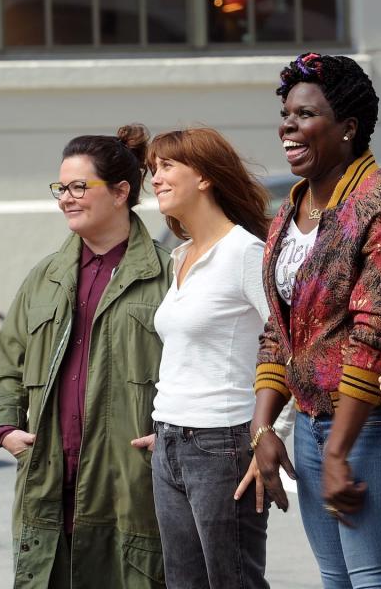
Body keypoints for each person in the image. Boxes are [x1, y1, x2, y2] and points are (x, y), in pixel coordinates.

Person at [249, 52, 381, 588]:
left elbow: (376, 334)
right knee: (336, 582)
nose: (288, 124)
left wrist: (338, 449)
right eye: (286, 113)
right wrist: (262, 427)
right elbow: (279, 329)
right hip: (309, 424)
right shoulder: (291, 208)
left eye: (305, 114)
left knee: (377, 583)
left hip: (367, 427)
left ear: (348, 128)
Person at [0, 125, 172, 589]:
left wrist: (170, 442)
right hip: (49, 478)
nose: (66, 197)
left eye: (79, 186)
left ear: (122, 191)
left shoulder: (168, 276)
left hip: (128, 482)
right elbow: (8, 366)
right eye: (61, 188)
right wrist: (4, 429)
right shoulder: (45, 276)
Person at [128, 127, 277, 588]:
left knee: (233, 582)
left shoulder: (246, 253)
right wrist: (167, 428)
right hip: (170, 441)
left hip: (225, 444)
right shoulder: (182, 256)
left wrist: (270, 437)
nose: (156, 178)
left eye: (169, 166)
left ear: (206, 178)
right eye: (154, 168)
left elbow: (290, 345)